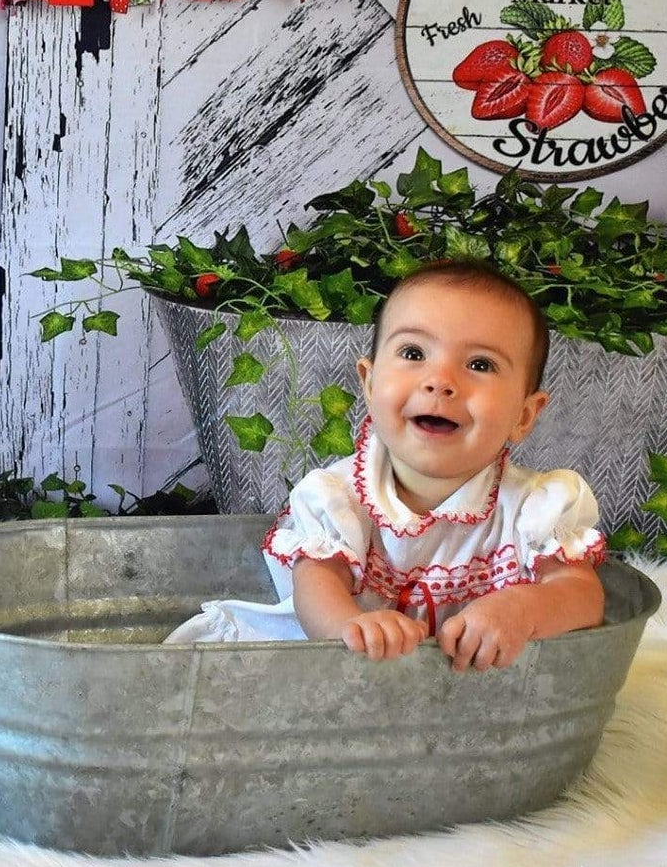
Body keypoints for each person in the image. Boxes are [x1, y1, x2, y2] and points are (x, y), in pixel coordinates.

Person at [165, 260, 606, 670]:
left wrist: (522, 609)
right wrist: (350, 625)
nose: (440, 381)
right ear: (370, 383)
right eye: (414, 353)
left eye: (479, 364)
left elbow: (582, 595)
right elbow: (315, 584)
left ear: (524, 415)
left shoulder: (534, 507)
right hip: (331, 668)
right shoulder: (340, 497)